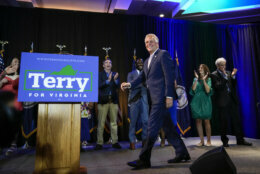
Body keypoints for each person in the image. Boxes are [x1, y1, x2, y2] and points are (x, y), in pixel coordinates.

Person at [121, 33, 190, 170]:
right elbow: (142, 79)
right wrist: (129, 85)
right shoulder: (147, 61)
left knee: (151, 128)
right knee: (169, 128)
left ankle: (144, 159)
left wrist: (169, 96)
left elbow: (169, 76)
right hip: (154, 99)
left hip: (162, 99)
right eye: (146, 42)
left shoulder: (163, 54)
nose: (148, 44)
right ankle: (182, 153)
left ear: (157, 43)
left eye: (151, 41)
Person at [211, 57, 252, 147]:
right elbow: (218, 87)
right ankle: (225, 141)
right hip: (222, 102)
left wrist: (233, 76)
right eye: (222, 65)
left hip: (232, 100)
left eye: (225, 65)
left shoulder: (229, 73)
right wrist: (225, 78)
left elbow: (233, 85)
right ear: (217, 66)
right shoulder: (214, 75)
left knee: (236, 120)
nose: (224, 67)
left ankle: (240, 140)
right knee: (224, 122)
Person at [95, 58, 121, 150]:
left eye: (110, 62)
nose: (108, 64)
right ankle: (99, 143)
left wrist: (114, 80)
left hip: (113, 101)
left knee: (114, 123)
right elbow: (98, 85)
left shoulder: (115, 74)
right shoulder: (99, 74)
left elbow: (118, 86)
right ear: (103, 65)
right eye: (106, 62)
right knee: (101, 123)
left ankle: (115, 142)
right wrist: (107, 81)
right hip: (103, 101)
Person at [127, 58, 148, 150]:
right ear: (135, 64)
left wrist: (138, 84)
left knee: (145, 121)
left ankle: (144, 140)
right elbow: (130, 85)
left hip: (144, 99)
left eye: (141, 62)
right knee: (133, 122)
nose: (140, 64)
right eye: (138, 62)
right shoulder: (130, 74)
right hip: (134, 100)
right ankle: (132, 141)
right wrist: (142, 84)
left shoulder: (147, 73)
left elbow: (149, 85)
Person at [190, 64, 213, 147]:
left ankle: (209, 141)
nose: (199, 69)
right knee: (198, 121)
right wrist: (196, 79)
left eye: (201, 68)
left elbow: (207, 91)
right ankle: (202, 141)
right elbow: (193, 89)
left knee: (206, 120)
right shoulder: (195, 79)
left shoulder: (209, 79)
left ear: (205, 70)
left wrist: (203, 80)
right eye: (199, 68)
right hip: (196, 101)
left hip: (205, 101)